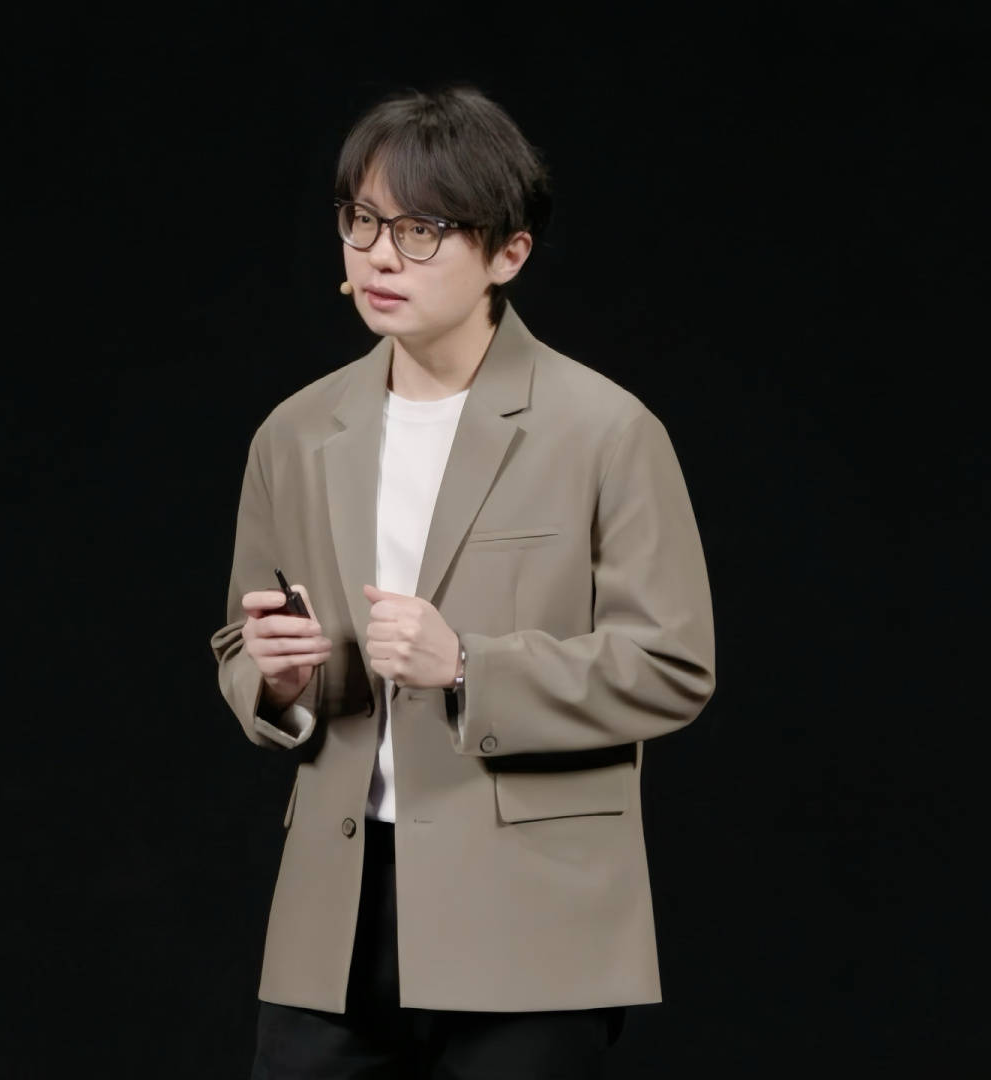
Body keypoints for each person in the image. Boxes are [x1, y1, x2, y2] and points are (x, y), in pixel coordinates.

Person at [209, 84, 717, 1079]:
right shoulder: (296, 433)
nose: (379, 256)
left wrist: (469, 667)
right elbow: (242, 642)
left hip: (530, 912)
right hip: (337, 911)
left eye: (422, 230)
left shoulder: (605, 430)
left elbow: (672, 666)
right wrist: (275, 678)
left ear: (508, 254)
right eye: (361, 220)